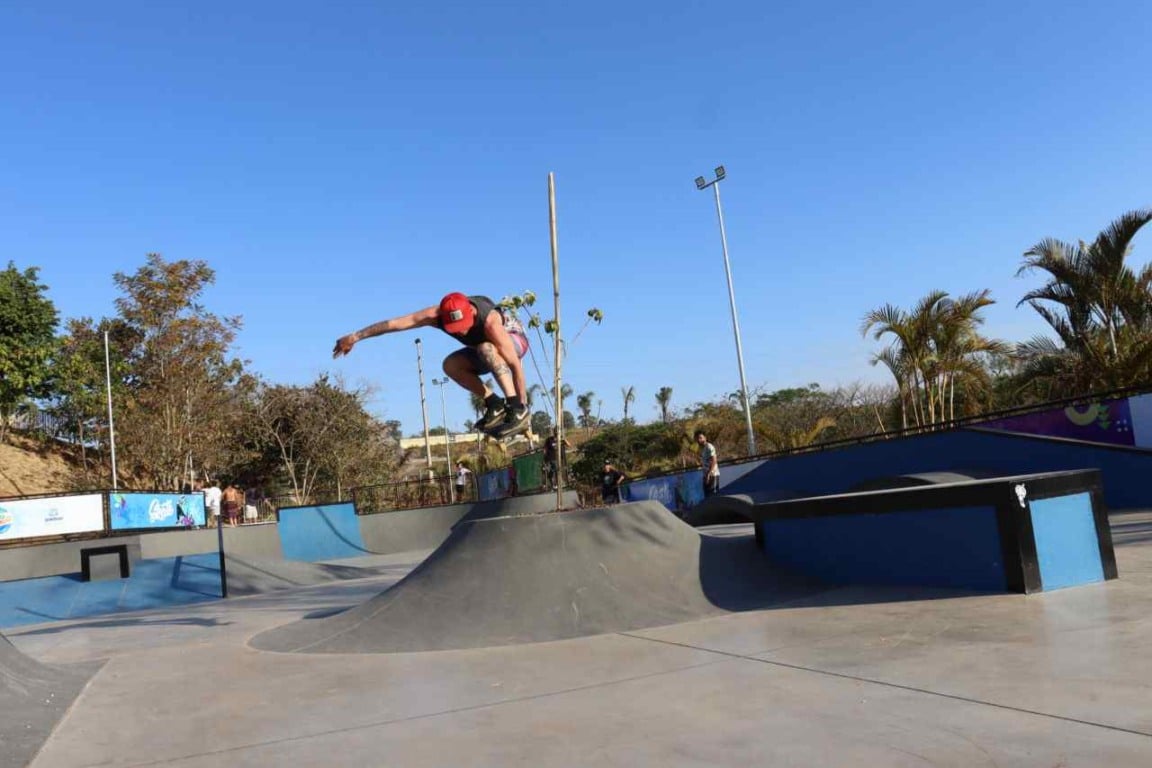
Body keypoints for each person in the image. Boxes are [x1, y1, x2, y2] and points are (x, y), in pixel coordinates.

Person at [333, 293, 531, 438]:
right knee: (451, 365)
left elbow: (515, 365)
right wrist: (355, 337)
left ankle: (514, 406)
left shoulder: (490, 322)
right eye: (456, 329)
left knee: (486, 348)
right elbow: (394, 324)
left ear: (470, 312)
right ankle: (494, 403)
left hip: (513, 341)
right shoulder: (434, 316)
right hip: (483, 350)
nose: (461, 333)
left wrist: (520, 406)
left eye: (464, 326)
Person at [695, 430, 720, 497]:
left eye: (700, 438)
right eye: (697, 438)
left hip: (713, 475)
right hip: (706, 475)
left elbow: (714, 460)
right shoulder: (701, 449)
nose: (699, 440)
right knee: (707, 497)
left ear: (705, 438)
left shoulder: (709, 446)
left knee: (714, 496)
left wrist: (709, 473)